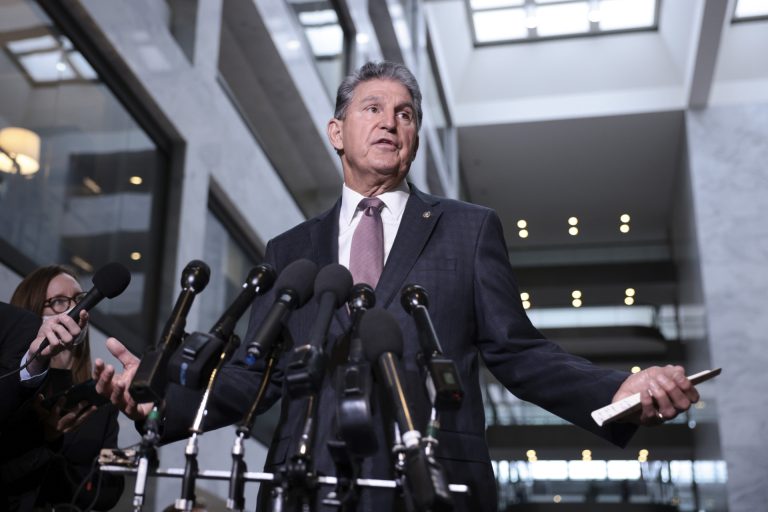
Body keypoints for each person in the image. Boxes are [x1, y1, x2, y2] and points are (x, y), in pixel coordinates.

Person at [94, 61, 700, 511]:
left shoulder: (467, 229)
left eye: (405, 113)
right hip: (307, 481)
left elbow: (517, 351)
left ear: (413, 137)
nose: (390, 121)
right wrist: (161, 402)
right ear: (336, 132)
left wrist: (617, 389)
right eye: (373, 108)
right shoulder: (289, 250)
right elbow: (257, 376)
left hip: (432, 480)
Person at [1, 265, 124, 511]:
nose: (74, 308)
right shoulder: (14, 384)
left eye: (79, 299)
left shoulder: (98, 403)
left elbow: (107, 491)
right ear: (32, 309)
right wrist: (46, 439)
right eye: (58, 301)